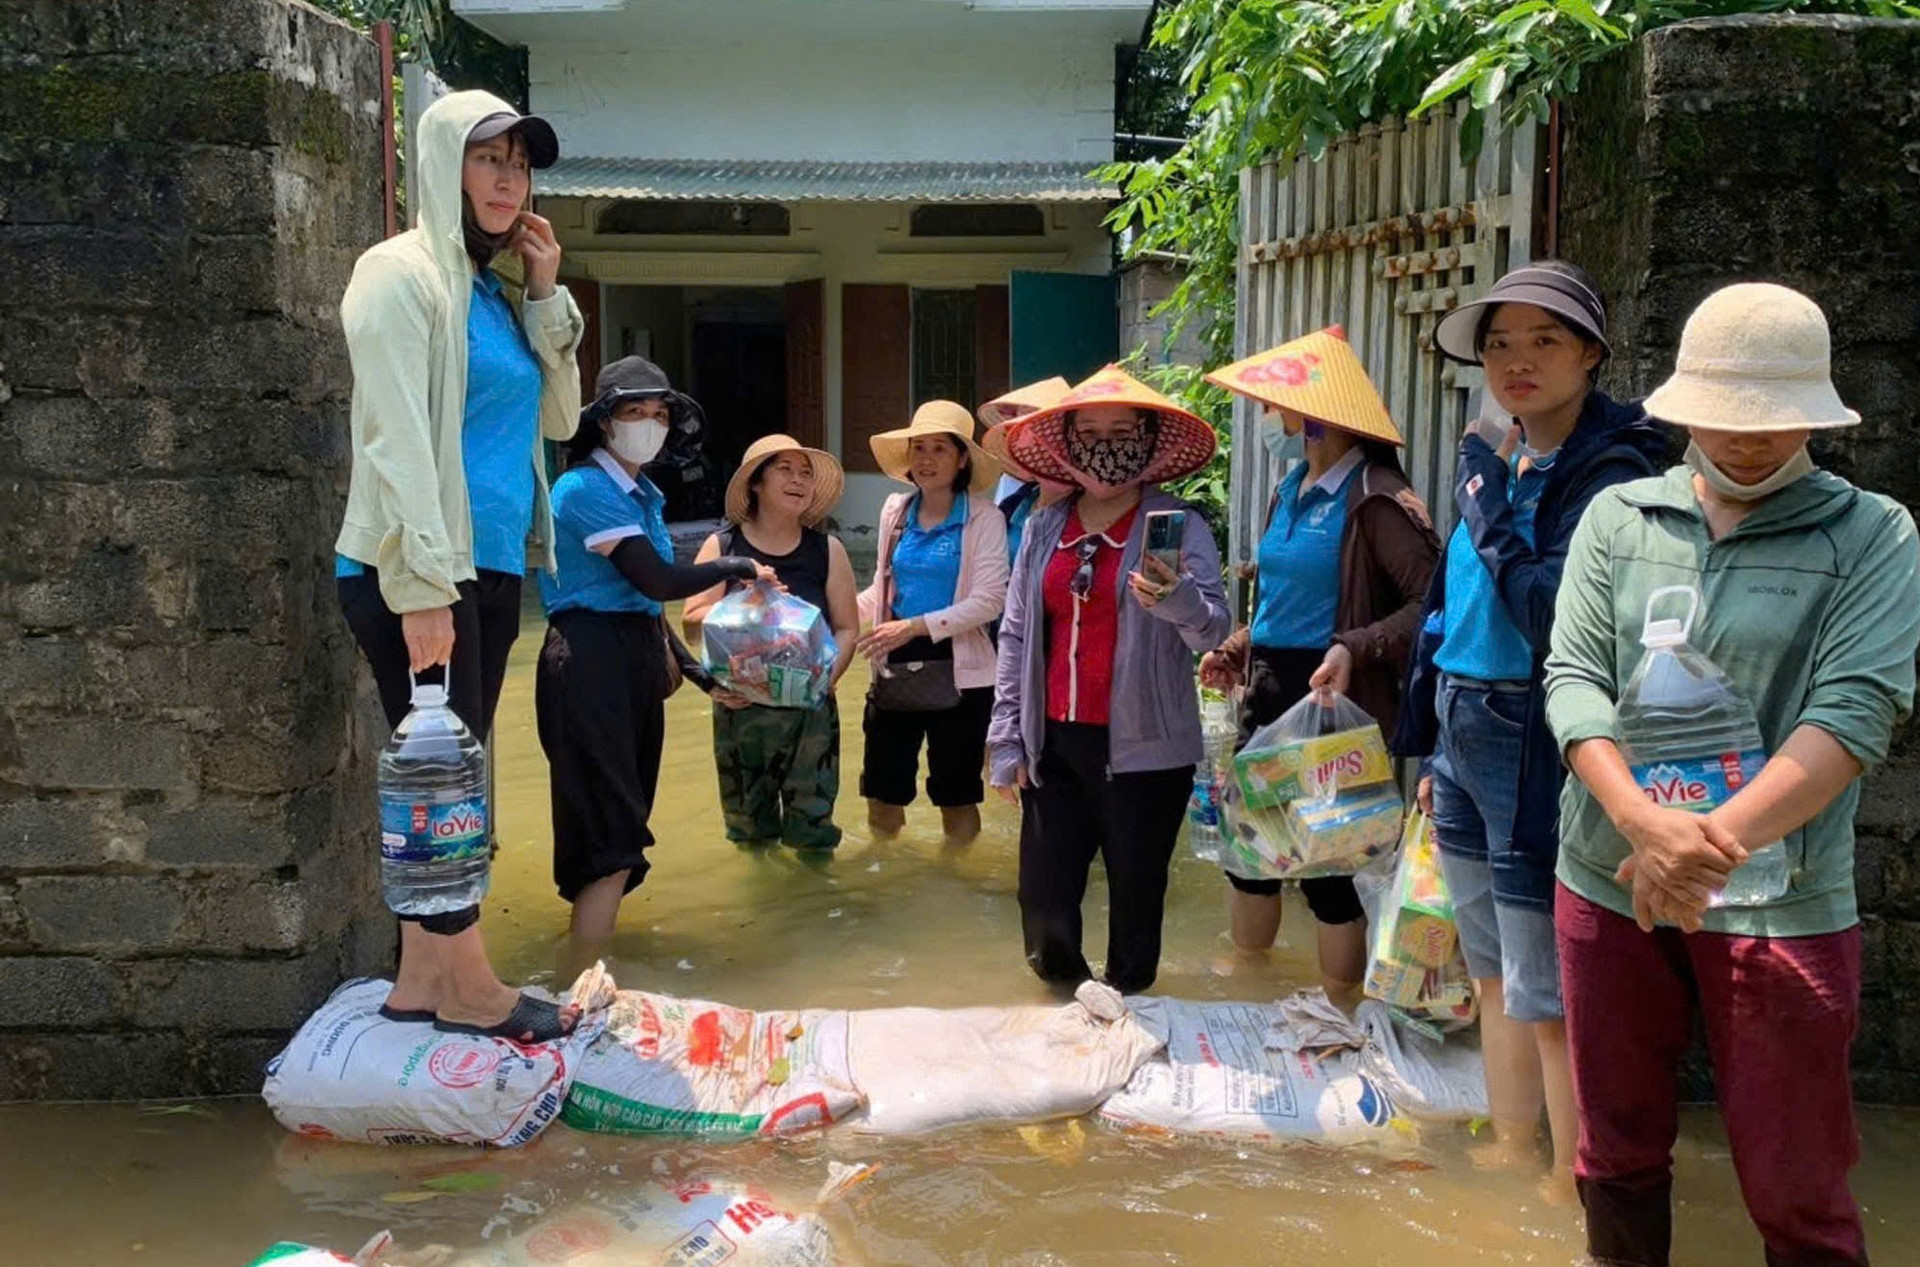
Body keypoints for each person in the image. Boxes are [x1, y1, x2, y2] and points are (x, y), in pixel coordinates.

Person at [1546, 283, 1919, 1267]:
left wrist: (1703, 848)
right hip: (1610, 879)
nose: (1748, 440)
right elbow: (1576, 680)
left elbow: (1853, 713)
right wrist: (1641, 824)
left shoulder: (1872, 536)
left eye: (1773, 419)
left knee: (1795, 1185)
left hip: (1780, 901)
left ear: (1816, 413)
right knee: (1615, 1152)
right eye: (1726, 416)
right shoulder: (1620, 519)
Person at [1394, 261, 1667, 1194]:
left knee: (1545, 978)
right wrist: (1429, 734)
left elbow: (1552, 610)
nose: (1517, 360)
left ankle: (1572, 1178)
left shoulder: (1613, 473)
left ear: (1591, 353)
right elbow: (1451, 604)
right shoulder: (1502, 456)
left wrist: (1486, 506)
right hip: (1467, 720)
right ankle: (1515, 1147)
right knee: (1489, 967)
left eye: (1544, 339)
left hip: (1535, 729)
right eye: (1499, 343)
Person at [334, 91, 583, 1042]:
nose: (508, 179)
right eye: (489, 159)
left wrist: (546, 291)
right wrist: (424, 589)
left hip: (479, 569)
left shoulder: (491, 290)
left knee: (444, 772)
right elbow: (395, 439)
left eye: (520, 163)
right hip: (417, 571)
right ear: (445, 164)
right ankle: (471, 985)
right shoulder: (398, 276)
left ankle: (419, 980)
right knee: (448, 784)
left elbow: (558, 421)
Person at [1197, 326, 1439, 1007]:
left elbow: (1432, 604)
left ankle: (1341, 1009)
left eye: (1278, 409)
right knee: (1252, 858)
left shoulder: (1376, 495)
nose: (1271, 421)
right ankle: (1252, 993)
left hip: (1335, 700)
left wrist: (1352, 648)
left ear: (1314, 416)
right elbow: (1279, 599)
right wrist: (1238, 647)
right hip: (1270, 693)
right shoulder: (1291, 487)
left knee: (1327, 869)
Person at [989, 366, 1232, 994]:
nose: (1105, 443)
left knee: (1135, 903)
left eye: (1122, 430)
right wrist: (1006, 739)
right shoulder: (1046, 526)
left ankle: (1129, 1017)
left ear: (1149, 441)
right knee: (1044, 903)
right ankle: (1067, 1009)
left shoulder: (1178, 525)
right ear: (1067, 444)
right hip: (1054, 743)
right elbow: (1015, 635)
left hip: (1147, 753)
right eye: (1089, 430)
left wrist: (1177, 601)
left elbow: (1212, 633)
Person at [537, 357, 774, 964]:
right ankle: (582, 974)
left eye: (660, 414)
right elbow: (659, 578)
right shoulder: (583, 488)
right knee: (607, 831)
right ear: (603, 422)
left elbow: (645, 605)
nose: (649, 422)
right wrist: (738, 566)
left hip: (634, 659)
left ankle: (588, 956)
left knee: (625, 816)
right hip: (589, 664)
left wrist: (704, 678)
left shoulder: (641, 493)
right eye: (633, 412)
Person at [682, 434, 860, 851]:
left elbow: (848, 628)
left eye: (806, 474)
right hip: (741, 709)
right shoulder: (723, 547)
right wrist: (749, 605)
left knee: (813, 833)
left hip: (810, 712)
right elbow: (691, 623)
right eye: (785, 470)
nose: (799, 480)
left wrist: (827, 678)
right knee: (750, 834)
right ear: (756, 483)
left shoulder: (827, 550)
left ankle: (811, 909)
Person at [855, 401, 1009, 844]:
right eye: (918, 447)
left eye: (939, 448)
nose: (926, 459)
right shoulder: (894, 513)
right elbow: (880, 589)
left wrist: (914, 627)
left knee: (956, 795)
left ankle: (956, 886)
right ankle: (887, 877)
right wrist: (831, 617)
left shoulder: (984, 518)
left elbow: (989, 601)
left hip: (964, 673)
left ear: (962, 458)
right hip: (893, 665)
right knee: (883, 792)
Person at [978, 377, 1073, 567]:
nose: (1025, 446)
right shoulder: (1013, 505)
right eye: (1017, 435)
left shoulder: (1090, 511)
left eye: (1041, 437)